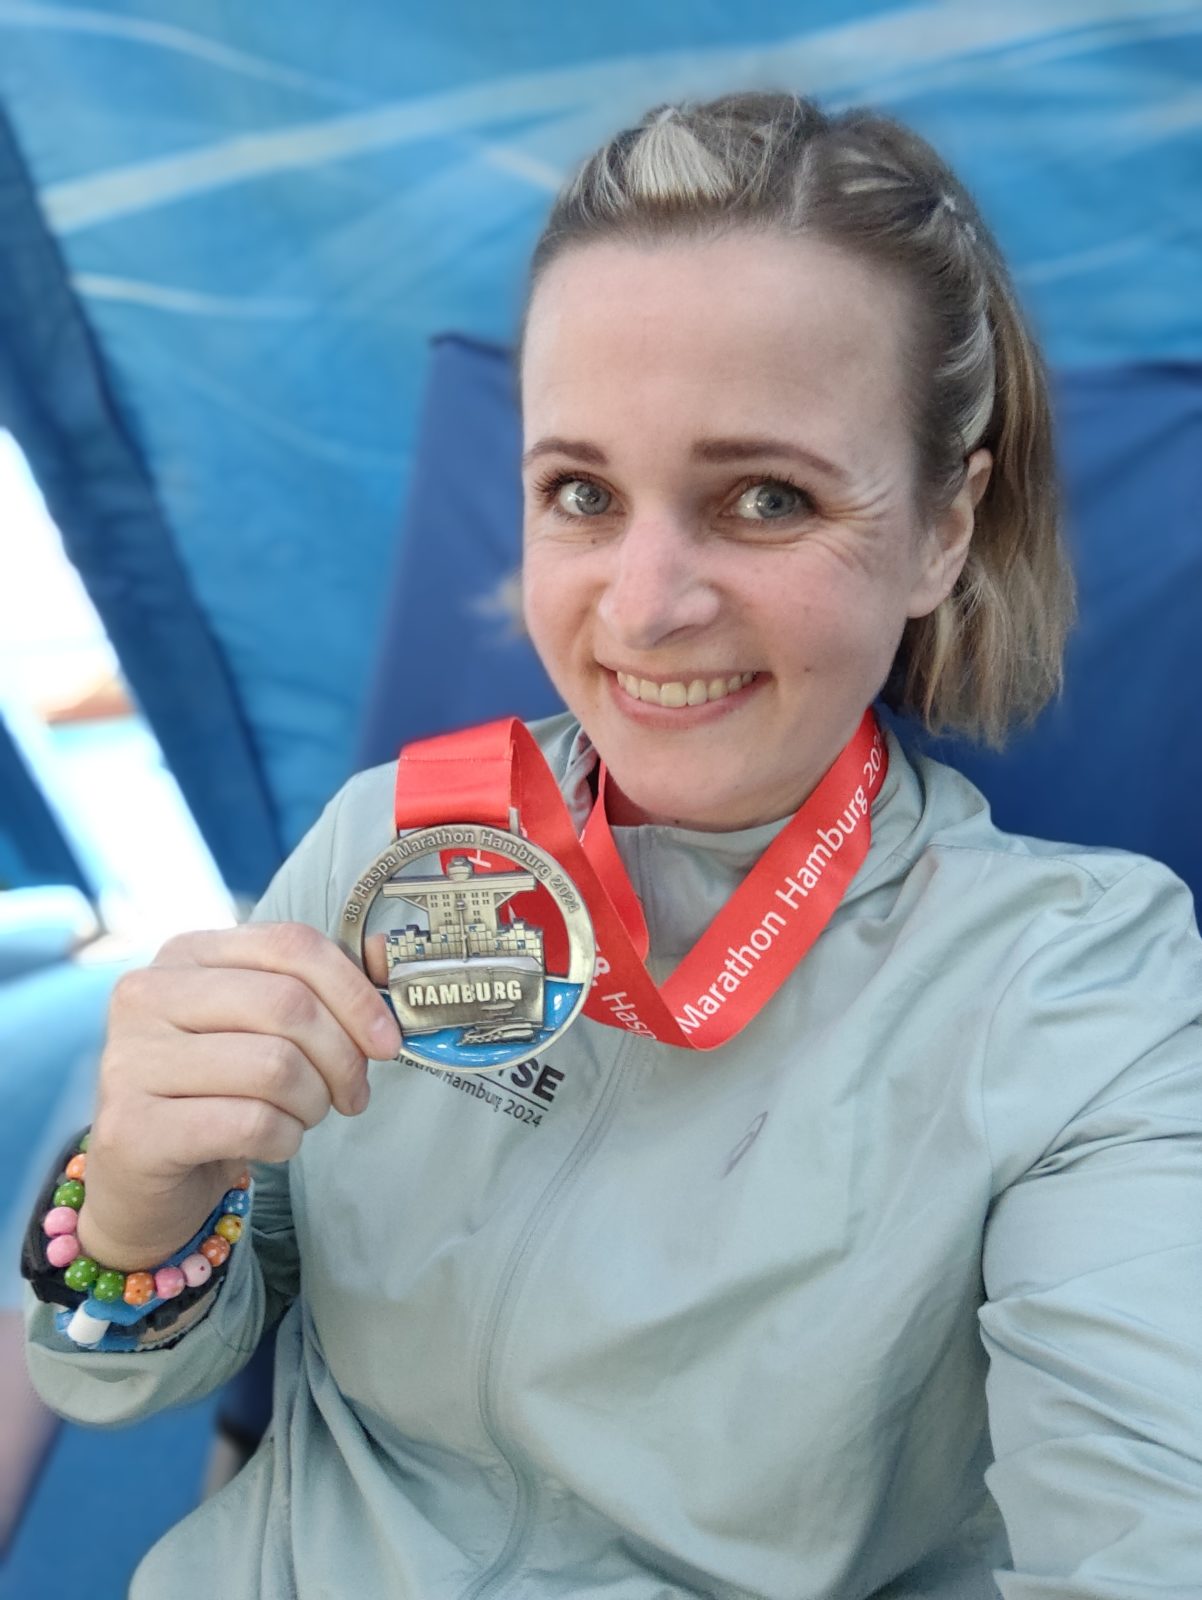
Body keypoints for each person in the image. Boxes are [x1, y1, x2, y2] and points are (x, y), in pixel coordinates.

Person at [22, 92, 1202, 1599]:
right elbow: (117, 1369)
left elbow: (1147, 1516)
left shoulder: (1082, 990)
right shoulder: (392, 837)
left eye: (764, 498)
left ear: (942, 530)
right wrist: (136, 1200)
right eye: (580, 493)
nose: (643, 608)